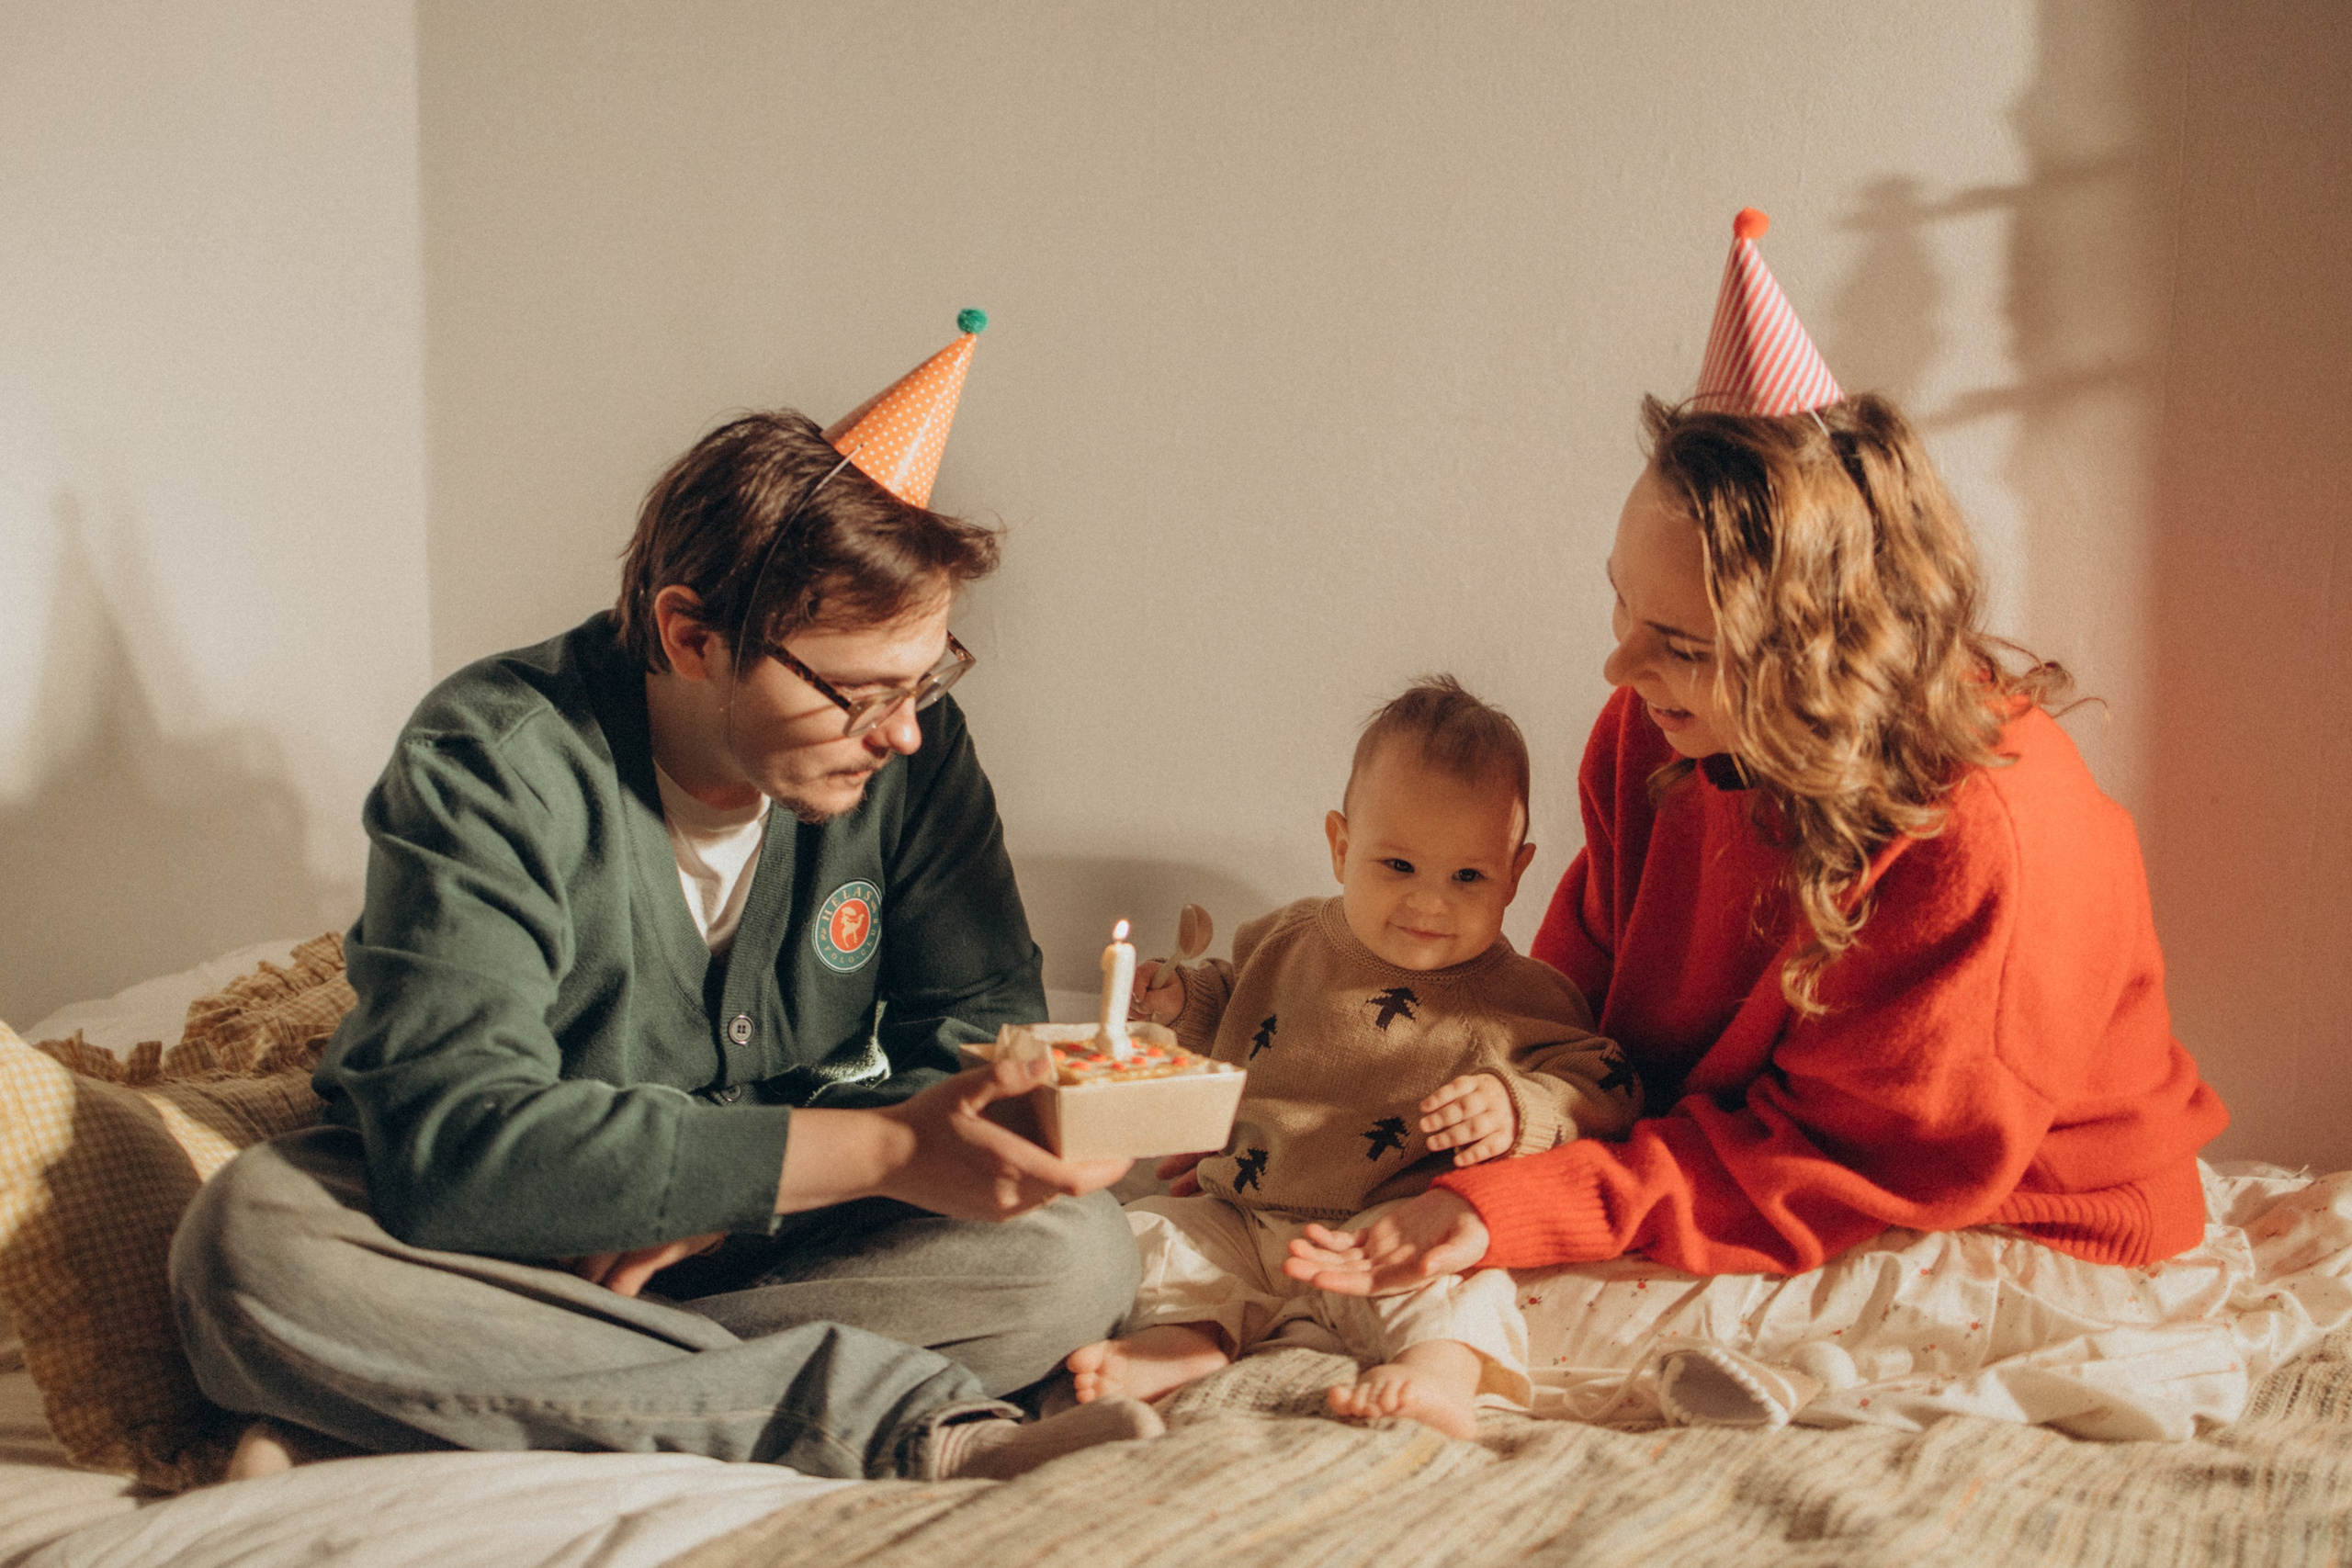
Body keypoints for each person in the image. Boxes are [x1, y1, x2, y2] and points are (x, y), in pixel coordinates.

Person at [170, 314, 1162, 1483]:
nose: (899, 729)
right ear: (691, 635)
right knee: (255, 1242)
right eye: (856, 692)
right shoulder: (489, 757)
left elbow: (973, 1037)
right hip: (523, 1251)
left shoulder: (915, 751)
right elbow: (452, 1141)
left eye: (928, 678)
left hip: (787, 1245)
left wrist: (744, 1190)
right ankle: (906, 1427)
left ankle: (426, 1401)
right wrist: (875, 1146)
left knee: (1075, 1256)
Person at [1285, 211, 2228, 1308]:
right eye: (1621, 603)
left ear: (1825, 646)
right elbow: (1570, 1025)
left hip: (2012, 1221)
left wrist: (1517, 1207)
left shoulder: (1980, 832)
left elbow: (1844, 1166)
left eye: (1680, 644)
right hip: (1708, 1162)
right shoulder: (1654, 730)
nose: (1617, 667)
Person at [1065, 678, 1642, 1437]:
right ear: (1341, 846)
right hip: (1245, 1203)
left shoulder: (1525, 997)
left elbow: (1606, 1080)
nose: (1431, 903)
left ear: (1517, 871)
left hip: (1386, 1227)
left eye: (1468, 875)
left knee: (1463, 1280)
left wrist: (1519, 1107)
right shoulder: (1288, 938)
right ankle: (1189, 1340)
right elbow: (1241, 1005)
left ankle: (1438, 1372)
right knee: (1146, 1232)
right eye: (1397, 866)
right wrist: (1179, 1002)